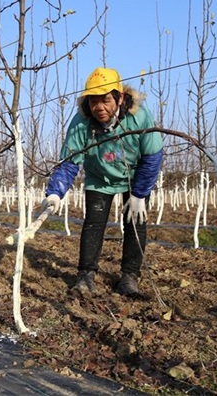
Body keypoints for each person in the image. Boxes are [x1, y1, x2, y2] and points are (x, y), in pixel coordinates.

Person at [42, 68, 163, 296]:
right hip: (99, 177)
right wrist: (55, 192)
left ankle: (129, 277)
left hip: (135, 177)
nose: (99, 108)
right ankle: (85, 276)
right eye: (93, 102)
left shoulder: (140, 116)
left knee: (135, 224)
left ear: (118, 97)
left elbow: (152, 156)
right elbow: (69, 161)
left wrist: (139, 194)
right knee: (94, 223)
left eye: (105, 100)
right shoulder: (81, 122)